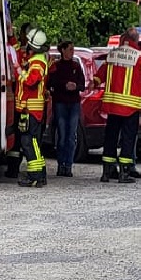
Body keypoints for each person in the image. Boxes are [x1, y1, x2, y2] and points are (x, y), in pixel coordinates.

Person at [100, 27, 141, 183]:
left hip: (112, 106)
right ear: (136, 41)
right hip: (130, 107)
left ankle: (107, 172)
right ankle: (124, 173)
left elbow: (98, 76)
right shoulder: (140, 57)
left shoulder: (112, 54)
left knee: (111, 138)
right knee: (128, 139)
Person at [46, 39, 87, 178]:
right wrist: (64, 85)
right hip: (60, 103)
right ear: (63, 50)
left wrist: (76, 86)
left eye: (73, 49)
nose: (72, 52)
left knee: (71, 136)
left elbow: (83, 84)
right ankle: (60, 164)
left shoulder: (76, 66)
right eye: (70, 49)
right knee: (62, 135)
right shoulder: (56, 66)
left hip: (74, 103)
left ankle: (68, 165)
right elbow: (51, 83)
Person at [16, 27, 50, 188]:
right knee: (33, 142)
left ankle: (34, 176)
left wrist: (19, 73)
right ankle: (40, 175)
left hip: (31, 109)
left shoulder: (37, 62)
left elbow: (31, 81)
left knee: (29, 142)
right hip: (32, 108)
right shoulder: (37, 59)